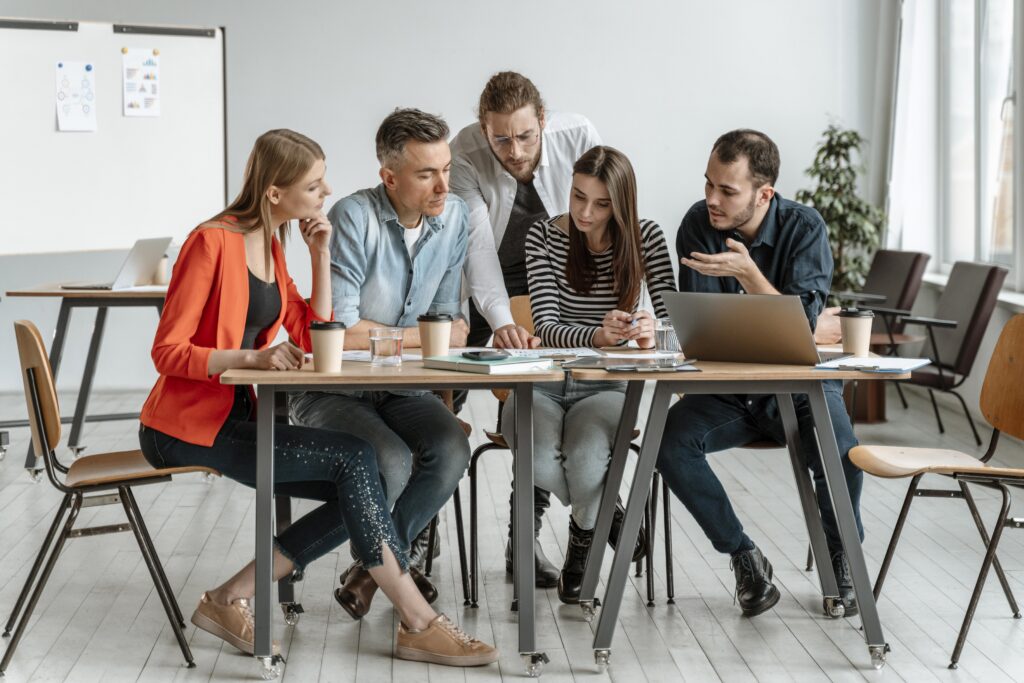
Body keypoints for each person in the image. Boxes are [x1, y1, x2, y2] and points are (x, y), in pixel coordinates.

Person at [138, 129, 496, 666]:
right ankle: (418, 618)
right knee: (356, 459)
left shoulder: (274, 244)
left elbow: (315, 330)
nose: (327, 190)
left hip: (241, 419)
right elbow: (166, 351)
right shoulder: (211, 241)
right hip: (184, 428)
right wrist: (251, 359)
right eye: (315, 183)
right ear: (276, 193)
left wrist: (320, 254)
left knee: (361, 477)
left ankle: (229, 596)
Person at [657, 129, 863, 618]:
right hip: (731, 389)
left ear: (763, 193)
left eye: (727, 190)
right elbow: (706, 327)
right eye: (708, 184)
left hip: (799, 387)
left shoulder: (805, 228)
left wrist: (751, 277)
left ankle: (844, 561)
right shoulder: (697, 224)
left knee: (842, 453)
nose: (711, 199)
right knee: (667, 443)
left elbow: (800, 328)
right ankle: (743, 556)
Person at [289, 110, 472, 619]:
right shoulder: (353, 217)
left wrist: (417, 337)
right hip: (334, 390)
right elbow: (341, 331)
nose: (442, 185)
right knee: (389, 459)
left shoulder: (454, 216)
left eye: (446, 169)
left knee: (452, 446)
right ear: (389, 177)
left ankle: (372, 570)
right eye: (425, 173)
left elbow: (452, 325)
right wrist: (423, 338)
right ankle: (393, 570)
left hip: (403, 387)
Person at [449, 71, 602, 586]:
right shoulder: (465, 153)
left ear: (543, 120)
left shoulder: (577, 135)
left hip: (560, 276)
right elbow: (477, 250)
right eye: (501, 139)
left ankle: (524, 540)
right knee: (439, 391)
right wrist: (503, 324)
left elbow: (603, 218)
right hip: (487, 277)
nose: (514, 151)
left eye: (525, 136)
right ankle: (416, 535)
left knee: (542, 399)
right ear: (482, 129)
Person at [500, 146, 671, 602]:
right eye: (578, 197)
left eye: (601, 204)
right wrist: (597, 335)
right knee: (535, 458)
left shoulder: (646, 238)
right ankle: (608, 513)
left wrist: (653, 330)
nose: (585, 213)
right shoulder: (542, 236)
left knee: (588, 457)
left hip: (607, 387)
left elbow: (679, 327)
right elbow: (549, 326)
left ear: (621, 204)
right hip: (541, 382)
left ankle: (581, 545)